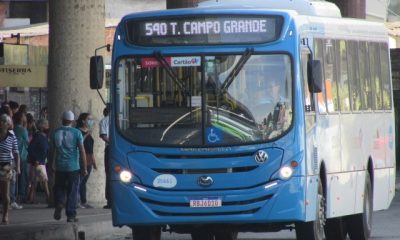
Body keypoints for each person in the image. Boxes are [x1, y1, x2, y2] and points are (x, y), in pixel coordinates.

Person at [52, 111, 87, 222]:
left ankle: (60, 202)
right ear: (72, 121)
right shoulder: (77, 133)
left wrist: (50, 165)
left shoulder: (55, 132)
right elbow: (82, 151)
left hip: (60, 166)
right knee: (72, 190)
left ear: (62, 119)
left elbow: (51, 151)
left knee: (59, 187)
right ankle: (71, 215)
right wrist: (84, 167)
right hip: (73, 167)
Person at [0, 114, 20, 224]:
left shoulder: (12, 137)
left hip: (6, 165)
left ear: (8, 124)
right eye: (1, 121)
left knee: (5, 193)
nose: (2, 123)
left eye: (4, 121)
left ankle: (6, 213)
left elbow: (16, 153)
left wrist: (18, 167)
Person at [76, 113, 97, 208]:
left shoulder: (88, 131)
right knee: (79, 181)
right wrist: (87, 134)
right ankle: (77, 201)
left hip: (89, 159)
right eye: (89, 119)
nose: (91, 121)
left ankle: (84, 201)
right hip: (81, 158)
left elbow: (91, 149)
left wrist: (94, 161)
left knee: (83, 182)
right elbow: (79, 143)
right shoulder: (77, 131)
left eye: (92, 119)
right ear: (83, 121)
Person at [27, 119, 50, 204]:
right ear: (42, 126)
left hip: (41, 161)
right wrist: (35, 158)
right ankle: (48, 198)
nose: (48, 126)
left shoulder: (43, 136)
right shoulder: (38, 137)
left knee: (35, 181)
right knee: (44, 181)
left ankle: (31, 198)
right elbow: (30, 148)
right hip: (38, 162)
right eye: (46, 125)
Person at [14, 111, 29, 204]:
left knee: (15, 178)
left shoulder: (14, 129)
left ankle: (15, 196)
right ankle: (22, 196)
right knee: (23, 177)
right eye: (24, 116)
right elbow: (27, 142)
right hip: (22, 155)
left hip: (14, 155)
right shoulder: (23, 130)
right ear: (21, 118)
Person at [99, 106, 110, 209]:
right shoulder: (121, 119)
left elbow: (103, 135)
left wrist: (112, 143)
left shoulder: (104, 121)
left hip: (110, 149)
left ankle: (109, 200)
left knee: (109, 174)